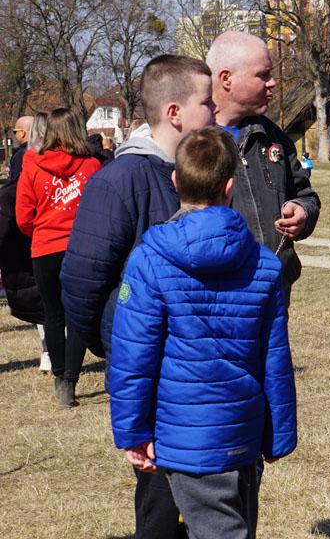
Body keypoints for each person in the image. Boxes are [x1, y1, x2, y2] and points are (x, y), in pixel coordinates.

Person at [109, 127, 297, 539]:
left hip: (190, 436)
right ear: (230, 187)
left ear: (175, 181)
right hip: (233, 432)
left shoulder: (148, 260)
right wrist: (278, 434)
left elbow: (131, 358)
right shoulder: (263, 264)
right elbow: (275, 359)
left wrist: (132, 431)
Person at [61, 54, 215, 539]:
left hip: (199, 377)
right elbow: (82, 282)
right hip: (152, 379)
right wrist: (116, 345)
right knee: (162, 506)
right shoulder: (120, 181)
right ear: (174, 113)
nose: (215, 112)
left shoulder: (201, 174)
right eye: (207, 103)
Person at [206, 31, 320, 299]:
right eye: (263, 75)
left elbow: (305, 195)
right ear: (226, 79)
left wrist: (302, 212)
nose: (273, 82)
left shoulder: (274, 136)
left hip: (275, 294)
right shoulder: (194, 141)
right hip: (220, 298)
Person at [15, 108, 101, 407]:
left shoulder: (33, 166)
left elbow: (23, 216)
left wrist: (40, 232)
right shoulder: (91, 166)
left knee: (53, 314)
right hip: (80, 248)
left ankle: (61, 376)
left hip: (45, 249)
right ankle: (70, 380)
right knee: (76, 315)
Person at [0, 114, 48, 370]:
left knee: (42, 296)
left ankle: (50, 351)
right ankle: (52, 350)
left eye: (18, 131)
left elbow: (20, 198)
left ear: (24, 134)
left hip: (34, 234)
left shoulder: (24, 158)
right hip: (44, 233)